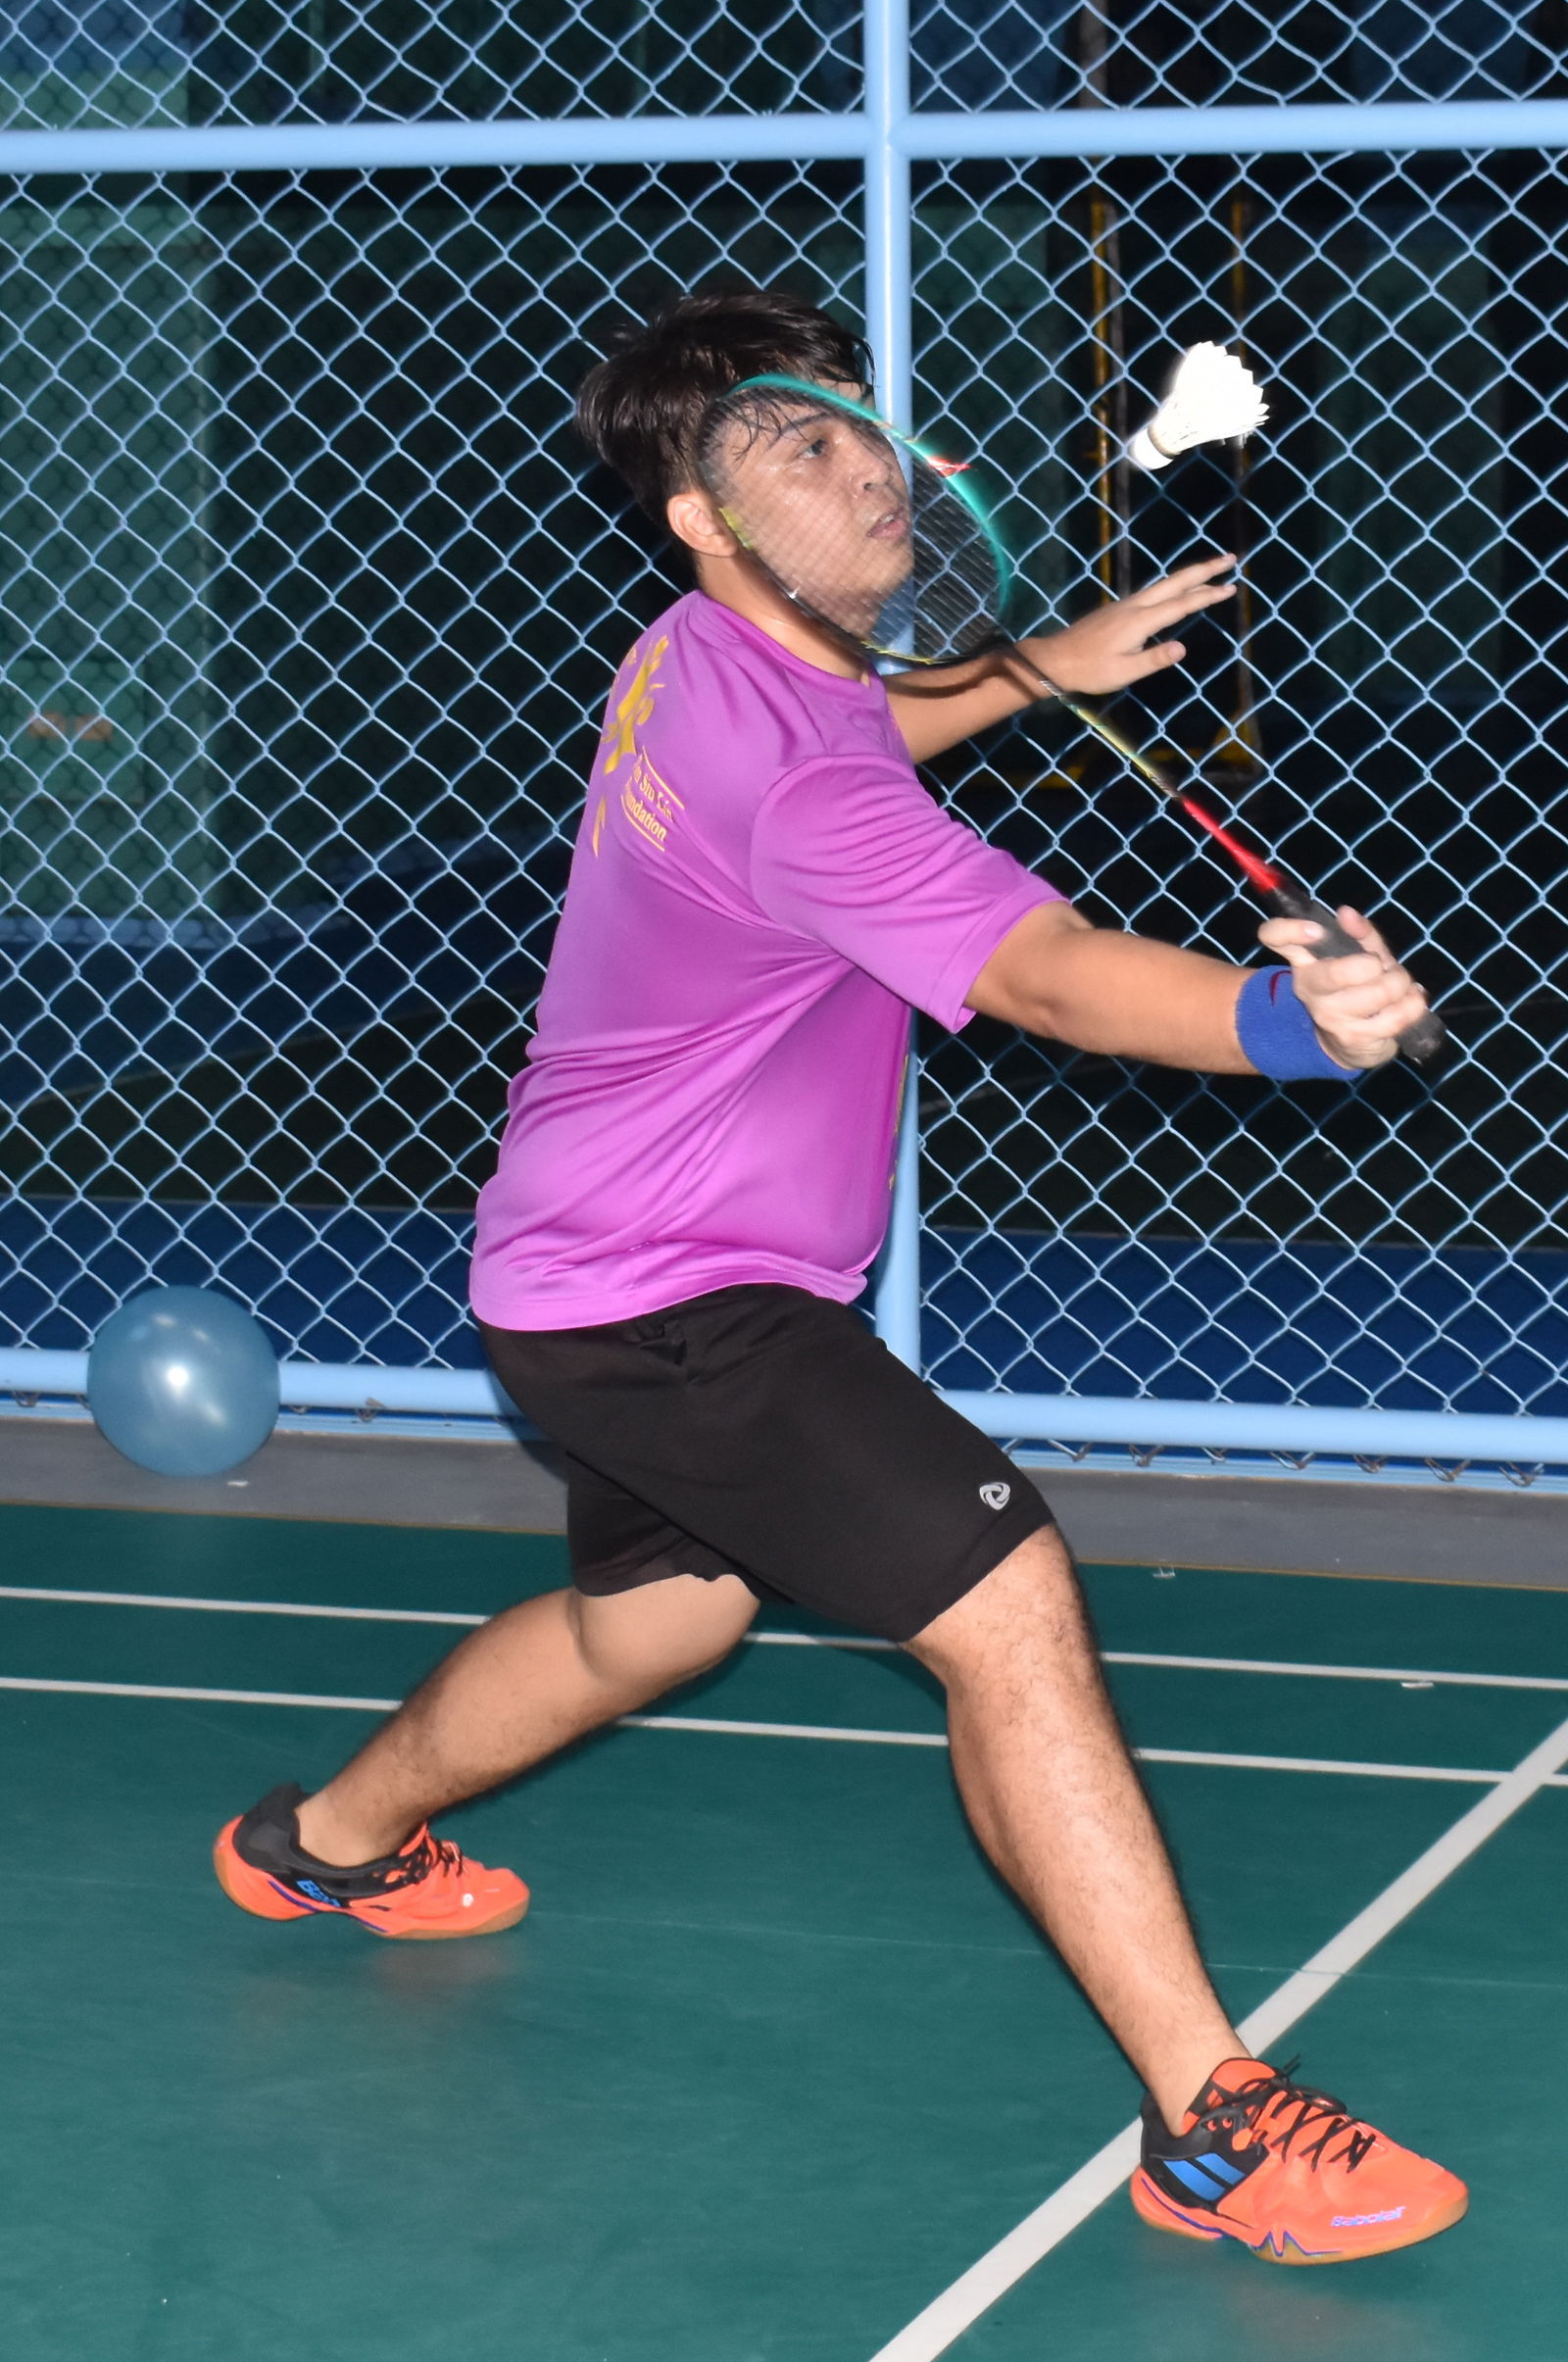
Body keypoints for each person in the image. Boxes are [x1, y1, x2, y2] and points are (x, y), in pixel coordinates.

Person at [214, 287, 1464, 2265]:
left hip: (563, 1266)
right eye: (797, 450)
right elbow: (1045, 970)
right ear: (705, 516)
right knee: (1005, 1596)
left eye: (860, 430)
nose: (867, 465)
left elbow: (866, 711)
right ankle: (1211, 2125)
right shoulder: (800, 793)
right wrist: (1292, 1025)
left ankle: (316, 1841)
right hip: (675, 1291)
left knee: (656, 1625)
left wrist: (1029, 671)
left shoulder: (692, 658)